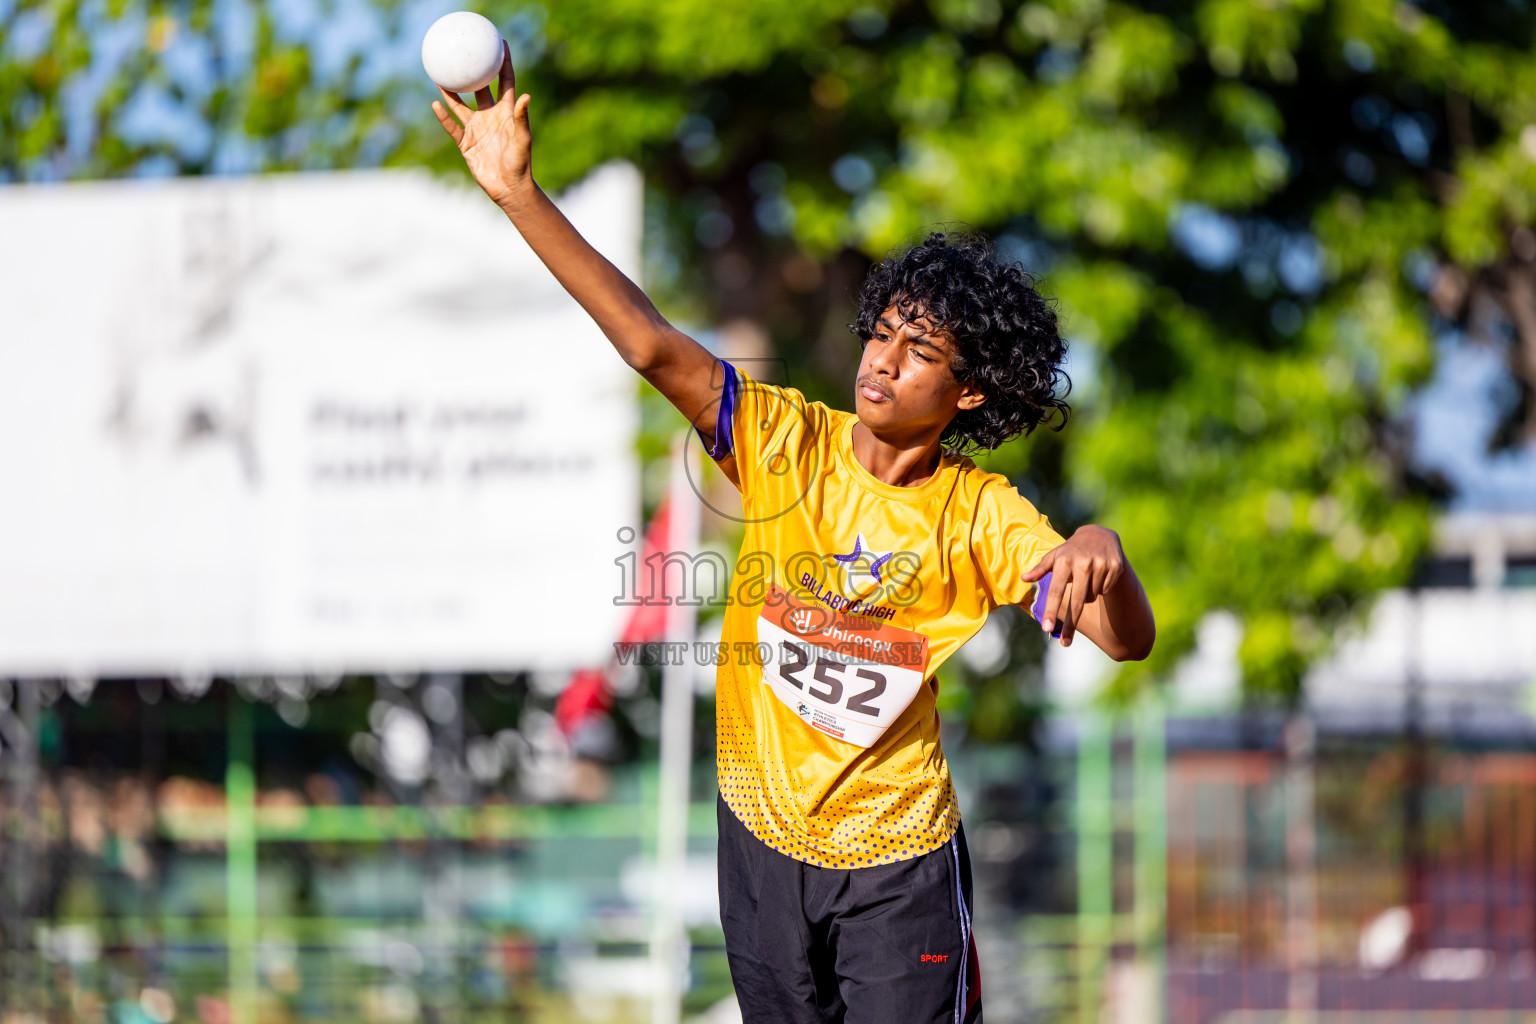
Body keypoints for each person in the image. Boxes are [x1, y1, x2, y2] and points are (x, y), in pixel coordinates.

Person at [433, 45, 1156, 1024]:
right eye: (884, 331)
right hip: (760, 842)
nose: (885, 362)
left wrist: (1100, 545)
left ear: (969, 391)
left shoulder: (980, 510)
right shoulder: (782, 439)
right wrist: (517, 193)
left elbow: (1125, 638)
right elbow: (648, 341)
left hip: (898, 868)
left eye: (922, 351)